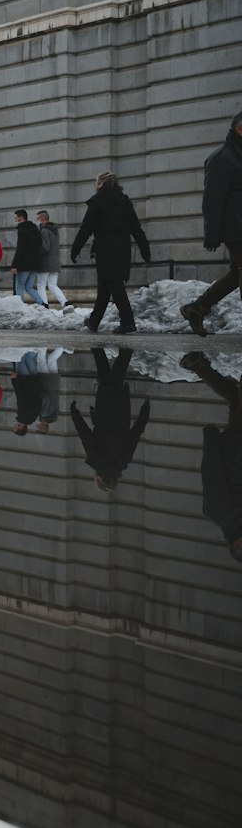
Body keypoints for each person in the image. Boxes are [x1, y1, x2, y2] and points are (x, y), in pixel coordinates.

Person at [181, 112, 242, 337]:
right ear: (240, 130)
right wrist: (212, 234)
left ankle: (197, 308)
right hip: (235, 228)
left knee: (236, 274)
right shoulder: (222, 157)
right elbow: (212, 201)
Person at [70, 170, 150, 334]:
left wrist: (75, 248)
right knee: (105, 285)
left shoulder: (97, 201)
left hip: (105, 250)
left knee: (114, 284)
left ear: (100, 183)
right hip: (122, 250)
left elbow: (87, 228)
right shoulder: (124, 201)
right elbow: (136, 228)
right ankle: (94, 321)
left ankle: (128, 321)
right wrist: (145, 250)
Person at [180, 351, 242, 561]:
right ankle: (199, 366)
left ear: (233, 544)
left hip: (235, 448)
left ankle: (199, 366)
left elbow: (211, 474)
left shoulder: (220, 514)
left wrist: (211, 441)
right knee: (235, 399)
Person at [70, 347, 150, 490]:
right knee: (113, 379)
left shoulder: (123, 461)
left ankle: (98, 348)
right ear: (100, 480)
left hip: (122, 413)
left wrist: (145, 413)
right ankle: (127, 348)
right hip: (104, 413)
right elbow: (85, 435)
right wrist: (74, 414)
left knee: (108, 380)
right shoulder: (97, 462)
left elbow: (136, 434)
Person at [11, 209, 47, 306]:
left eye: (16, 218)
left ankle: (19, 306)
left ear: (20, 218)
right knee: (29, 286)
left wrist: (14, 265)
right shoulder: (35, 229)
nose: (15, 220)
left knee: (20, 286)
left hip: (25, 263)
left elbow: (20, 248)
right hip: (35, 263)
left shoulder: (22, 230)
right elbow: (39, 245)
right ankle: (41, 303)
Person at [35, 209, 70, 308]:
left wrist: (36, 253)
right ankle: (65, 303)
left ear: (42, 219)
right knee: (52, 285)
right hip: (55, 262)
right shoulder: (55, 230)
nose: (37, 221)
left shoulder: (44, 231)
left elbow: (45, 247)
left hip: (45, 262)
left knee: (41, 285)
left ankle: (44, 305)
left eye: (37, 219)